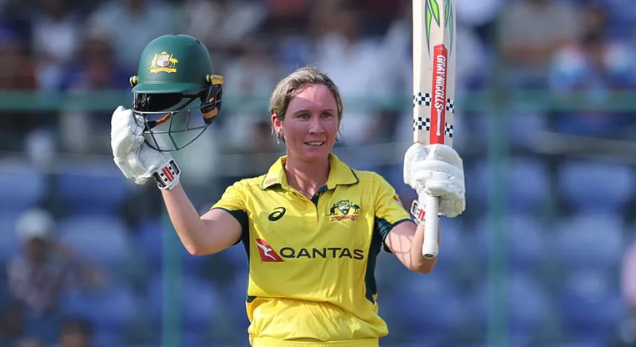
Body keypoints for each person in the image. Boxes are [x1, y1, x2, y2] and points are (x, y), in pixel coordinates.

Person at [110, 34, 466, 347]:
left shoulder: (371, 189)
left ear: (339, 121)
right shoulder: (249, 194)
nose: (316, 128)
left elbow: (419, 260)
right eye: (303, 116)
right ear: (277, 123)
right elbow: (199, 241)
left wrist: (430, 205)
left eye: (327, 115)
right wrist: (165, 174)